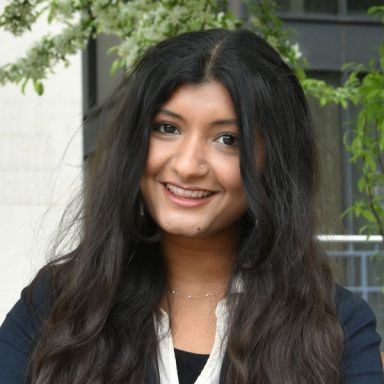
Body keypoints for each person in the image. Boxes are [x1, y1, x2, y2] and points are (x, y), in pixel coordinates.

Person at [0, 28, 383, 384]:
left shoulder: (337, 328)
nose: (186, 165)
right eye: (167, 128)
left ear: (274, 162)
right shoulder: (56, 307)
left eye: (227, 139)